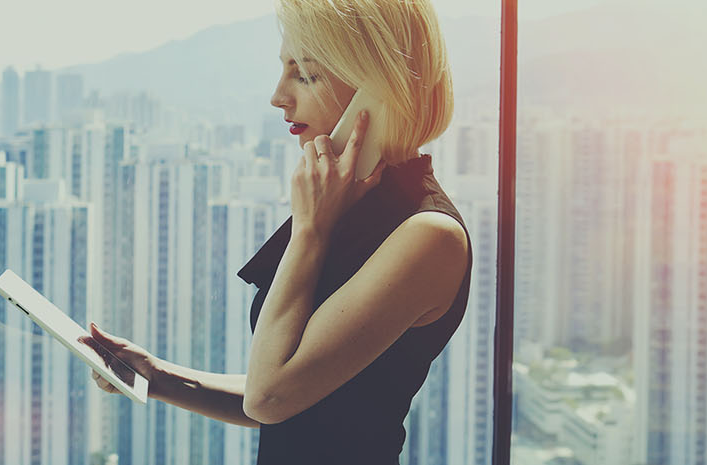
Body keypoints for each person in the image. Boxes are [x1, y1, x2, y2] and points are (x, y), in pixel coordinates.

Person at [79, 0, 472, 462]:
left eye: (305, 74)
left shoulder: (427, 234)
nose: (278, 96)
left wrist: (310, 229)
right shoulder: (348, 205)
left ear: (378, 86)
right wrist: (158, 376)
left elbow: (271, 397)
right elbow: (296, 392)